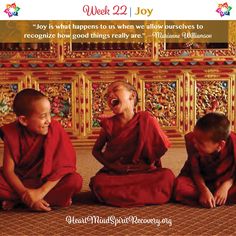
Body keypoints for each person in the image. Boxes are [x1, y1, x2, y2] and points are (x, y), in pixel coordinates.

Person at [90, 81, 175, 207]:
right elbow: (96, 151)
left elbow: (156, 149)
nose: (110, 96)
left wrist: (150, 166)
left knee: (167, 177)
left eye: (116, 90)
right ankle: (147, 195)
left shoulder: (147, 120)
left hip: (143, 171)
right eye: (107, 95)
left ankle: (122, 197)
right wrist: (113, 167)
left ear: (132, 96)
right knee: (99, 182)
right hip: (118, 173)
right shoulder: (109, 125)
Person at [0, 89, 82, 211]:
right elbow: (8, 171)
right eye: (43, 116)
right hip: (21, 182)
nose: (49, 120)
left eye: (50, 114)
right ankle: (37, 200)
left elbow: (63, 167)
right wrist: (23, 193)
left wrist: (40, 192)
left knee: (74, 180)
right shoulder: (12, 132)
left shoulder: (55, 129)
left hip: (46, 182)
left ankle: (18, 201)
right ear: (23, 120)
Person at [174, 112, 236, 208]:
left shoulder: (233, 143)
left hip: (228, 181)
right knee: (180, 186)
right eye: (195, 140)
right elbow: (195, 171)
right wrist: (204, 190)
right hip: (201, 180)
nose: (195, 145)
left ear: (220, 145)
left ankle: (214, 197)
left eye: (200, 143)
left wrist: (226, 186)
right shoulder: (194, 141)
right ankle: (210, 197)